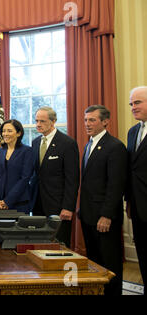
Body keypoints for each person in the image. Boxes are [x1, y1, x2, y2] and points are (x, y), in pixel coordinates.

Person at [79, 105, 127, 296]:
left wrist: (106, 215)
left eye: (92, 120)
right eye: (85, 120)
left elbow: (116, 186)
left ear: (105, 121)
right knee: (94, 261)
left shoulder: (115, 147)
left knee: (110, 263)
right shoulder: (88, 144)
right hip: (88, 215)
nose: (87, 124)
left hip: (104, 218)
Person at [31, 107, 80, 248]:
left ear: (53, 122)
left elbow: (72, 179)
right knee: (39, 244)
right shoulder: (35, 143)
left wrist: (68, 207)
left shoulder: (67, 143)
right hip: (37, 204)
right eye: (36, 121)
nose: (38, 124)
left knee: (59, 245)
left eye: (42, 121)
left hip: (58, 206)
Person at [126, 86, 147, 292]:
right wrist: (129, 201)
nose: (133, 107)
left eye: (137, 102)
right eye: (131, 103)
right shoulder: (133, 132)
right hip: (138, 206)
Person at [0, 119, 33, 214]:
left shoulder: (27, 151)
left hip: (19, 203)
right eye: (3, 131)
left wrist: (8, 201)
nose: (5, 134)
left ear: (18, 133)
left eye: (9, 131)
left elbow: (25, 178)